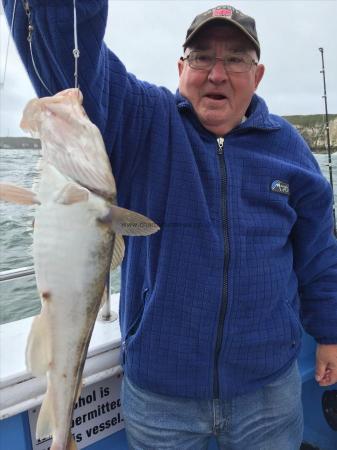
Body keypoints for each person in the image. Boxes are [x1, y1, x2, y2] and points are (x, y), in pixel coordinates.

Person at [4, 2, 337, 449]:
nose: (217, 73)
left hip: (268, 392)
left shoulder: (289, 149)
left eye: (236, 58)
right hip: (162, 400)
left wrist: (330, 333)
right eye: (202, 56)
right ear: (181, 67)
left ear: (257, 76)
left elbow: (317, 255)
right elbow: (67, 58)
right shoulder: (146, 120)